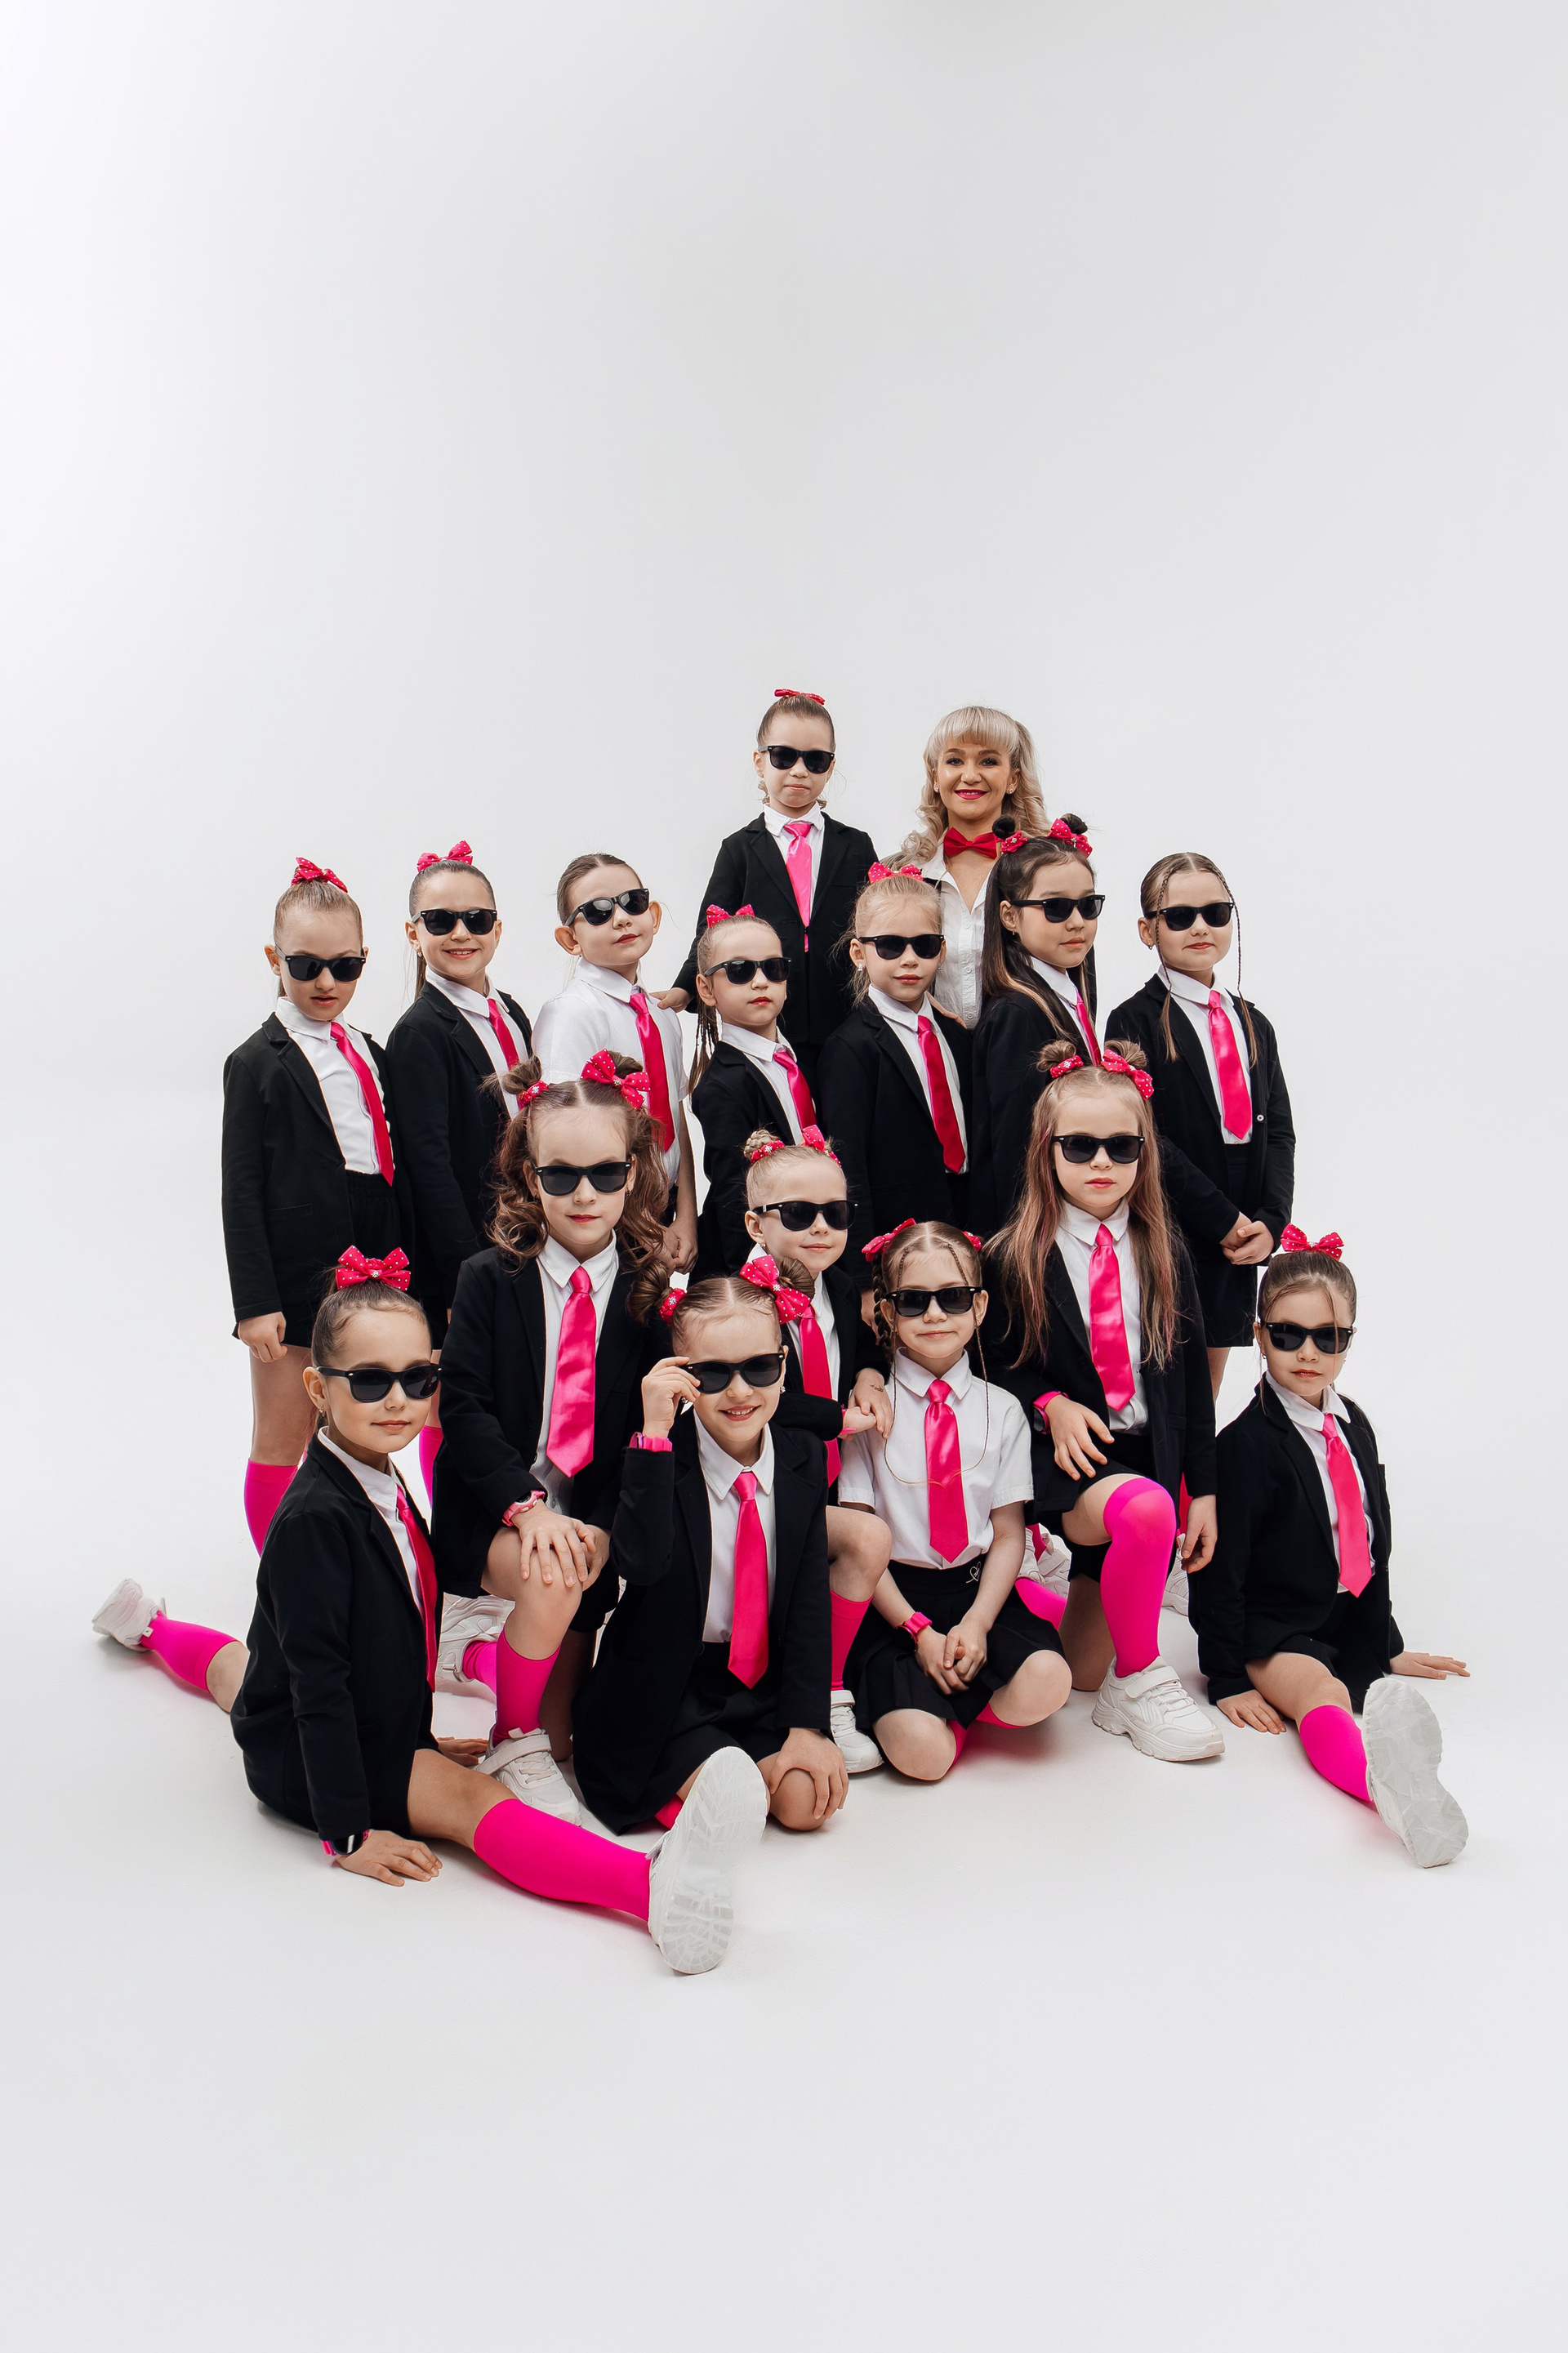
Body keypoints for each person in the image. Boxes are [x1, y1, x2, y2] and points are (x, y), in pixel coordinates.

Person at [91, 1257, 762, 1972]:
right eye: (370, 1381)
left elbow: (390, 1635)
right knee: (472, 1801)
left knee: (243, 1670)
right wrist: (348, 1830)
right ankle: (649, 1886)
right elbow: (320, 1687)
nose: (398, 1401)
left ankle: (149, 1624)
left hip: (315, 1710)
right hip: (323, 1755)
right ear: (316, 1388)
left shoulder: (377, 1474)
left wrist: (421, 1733)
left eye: (418, 1380)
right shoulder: (315, 1520)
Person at [431, 1050, 669, 1818]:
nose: (584, 1194)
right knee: (552, 1586)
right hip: (496, 1512)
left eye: (605, 1172)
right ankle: (510, 1737)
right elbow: (463, 1409)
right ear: (531, 1178)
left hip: (587, 1519)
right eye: (561, 1175)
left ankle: (482, 1659)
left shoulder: (652, 1292)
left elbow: (645, 1433)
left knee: (568, 1738)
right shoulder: (486, 1278)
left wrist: (601, 1525)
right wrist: (526, 1509)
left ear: (633, 1172)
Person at [1196, 1232, 1468, 1865]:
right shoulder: (1245, 1445)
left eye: (1328, 1337)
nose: (1308, 1352)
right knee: (1324, 1694)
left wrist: (1387, 1641)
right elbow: (1221, 1569)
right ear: (1259, 1335)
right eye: (1288, 1334)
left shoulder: (1354, 1424)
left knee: (1361, 1679)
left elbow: (1370, 1539)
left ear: (1349, 1341)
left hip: (1341, 1616)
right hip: (1276, 1626)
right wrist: (1227, 1676)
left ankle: (1395, 1774)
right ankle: (1388, 1794)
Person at [987, 1045, 1224, 1762]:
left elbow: (1191, 1383)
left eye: (1122, 1146)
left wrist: (1204, 1489)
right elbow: (992, 1371)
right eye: (1080, 1145)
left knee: (1081, 1671)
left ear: (1145, 1153)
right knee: (1146, 1510)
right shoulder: (1013, 1255)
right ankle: (1141, 1678)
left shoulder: (1166, 1251)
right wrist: (1049, 1402)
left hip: (1146, 1455)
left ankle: (1064, 1608)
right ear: (1046, 1148)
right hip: (1069, 1459)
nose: (1102, 1161)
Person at [572, 1276, 847, 1839]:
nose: (739, 1392)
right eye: (714, 1374)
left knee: (805, 1805)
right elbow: (640, 1565)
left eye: (759, 1368)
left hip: (758, 1685)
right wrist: (654, 1432)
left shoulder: (802, 1457)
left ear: (784, 1364)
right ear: (682, 1375)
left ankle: (735, 1771)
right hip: (671, 1688)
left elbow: (807, 1600)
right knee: (735, 1802)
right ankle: (703, 1788)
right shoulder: (659, 1457)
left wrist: (807, 1725)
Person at [222, 856, 412, 1553]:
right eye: (306, 966)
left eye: (345, 966)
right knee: (285, 1431)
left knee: (369, 1424)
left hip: (378, 1256)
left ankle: (364, 1565)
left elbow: (391, 1166)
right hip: (298, 1271)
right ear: (274, 959)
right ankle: (283, 1582)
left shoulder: (370, 1050)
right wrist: (255, 1303)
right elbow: (240, 1190)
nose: (327, 982)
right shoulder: (256, 1061)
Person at [835, 1222, 1071, 1778]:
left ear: (980, 1306)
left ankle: (962, 1699)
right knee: (925, 1759)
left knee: (1049, 1681)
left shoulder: (1004, 1409)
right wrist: (919, 1632)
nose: (935, 1315)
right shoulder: (867, 1415)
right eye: (913, 1301)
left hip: (979, 1594)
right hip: (894, 1605)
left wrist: (979, 1623)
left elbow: (1008, 1534)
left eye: (954, 1298)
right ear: (887, 1313)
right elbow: (858, 1545)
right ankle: (934, 1709)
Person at [1105, 853, 1294, 1401]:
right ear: (1148, 930)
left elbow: (1279, 1132)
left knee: (1208, 1390)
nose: (1201, 928)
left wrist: (1270, 1221)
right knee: (1166, 1389)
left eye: (1215, 913)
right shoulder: (1133, 1019)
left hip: (1241, 1235)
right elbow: (1144, 1135)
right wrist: (1221, 1219)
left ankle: (1199, 1466)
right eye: (1180, 916)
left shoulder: (1254, 1023)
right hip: (1175, 1223)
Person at [734, 1148, 893, 1772]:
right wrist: (837, 1418)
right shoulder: (737, 1302)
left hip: (821, 1479)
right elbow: (751, 1396)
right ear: (756, 1224)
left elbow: (862, 1348)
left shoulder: (842, 1287)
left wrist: (869, 1376)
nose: (822, 1227)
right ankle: (808, 1695)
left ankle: (830, 1681)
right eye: (800, 1213)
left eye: (837, 1212)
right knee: (859, 1542)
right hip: (755, 1486)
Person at [382, 840, 532, 1500]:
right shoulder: (420, 1032)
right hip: (466, 1251)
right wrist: (463, 1271)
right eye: (441, 920)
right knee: (454, 1396)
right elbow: (429, 1167)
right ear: (413, 933)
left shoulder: (513, 1014)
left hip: (522, 1235)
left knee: (506, 1387)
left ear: (498, 927)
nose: (461, 933)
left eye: (477, 918)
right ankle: (453, 1538)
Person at [662, 689, 877, 1093]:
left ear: (831, 767)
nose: (799, 770)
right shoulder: (739, 849)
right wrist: (685, 986)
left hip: (845, 1017)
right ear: (759, 761)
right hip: (766, 1023)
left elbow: (881, 925)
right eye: (784, 756)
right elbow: (711, 929)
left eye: (815, 760)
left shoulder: (856, 845)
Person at [532, 853, 698, 1271]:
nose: (622, 919)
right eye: (598, 912)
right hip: (603, 1216)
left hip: (665, 1212)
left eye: (633, 903)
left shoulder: (662, 1013)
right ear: (570, 939)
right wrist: (641, 1226)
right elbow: (563, 1138)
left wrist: (686, 1216)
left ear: (653, 915)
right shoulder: (570, 1014)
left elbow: (677, 1119)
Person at [816, 866, 972, 1279]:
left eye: (925, 945)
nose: (909, 960)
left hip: (966, 1223)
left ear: (941, 951)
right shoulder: (849, 1048)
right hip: (894, 1240)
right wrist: (863, 1278)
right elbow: (848, 1168)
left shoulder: (956, 1036)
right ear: (859, 953)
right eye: (889, 946)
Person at [969, 818, 1105, 1232]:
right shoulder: (1017, 1015)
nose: (1077, 921)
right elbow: (1014, 1153)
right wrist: (1030, 1249)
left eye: (1088, 905)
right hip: (1035, 1233)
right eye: (1056, 907)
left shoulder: (1065, 995)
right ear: (1010, 916)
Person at [888, 705, 1051, 1029]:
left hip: (1025, 1048)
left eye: (989, 761)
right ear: (935, 777)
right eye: (954, 761)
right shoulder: (902, 873)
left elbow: (1076, 980)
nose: (971, 775)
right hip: (930, 1048)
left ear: (1013, 779)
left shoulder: (1046, 871)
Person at [688, 906, 813, 1275]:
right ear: (706, 989)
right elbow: (733, 1194)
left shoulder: (797, 1061)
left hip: (804, 1245)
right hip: (753, 1269)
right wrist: (755, 1282)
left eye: (773, 968)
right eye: (740, 971)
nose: (760, 982)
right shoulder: (722, 1085)